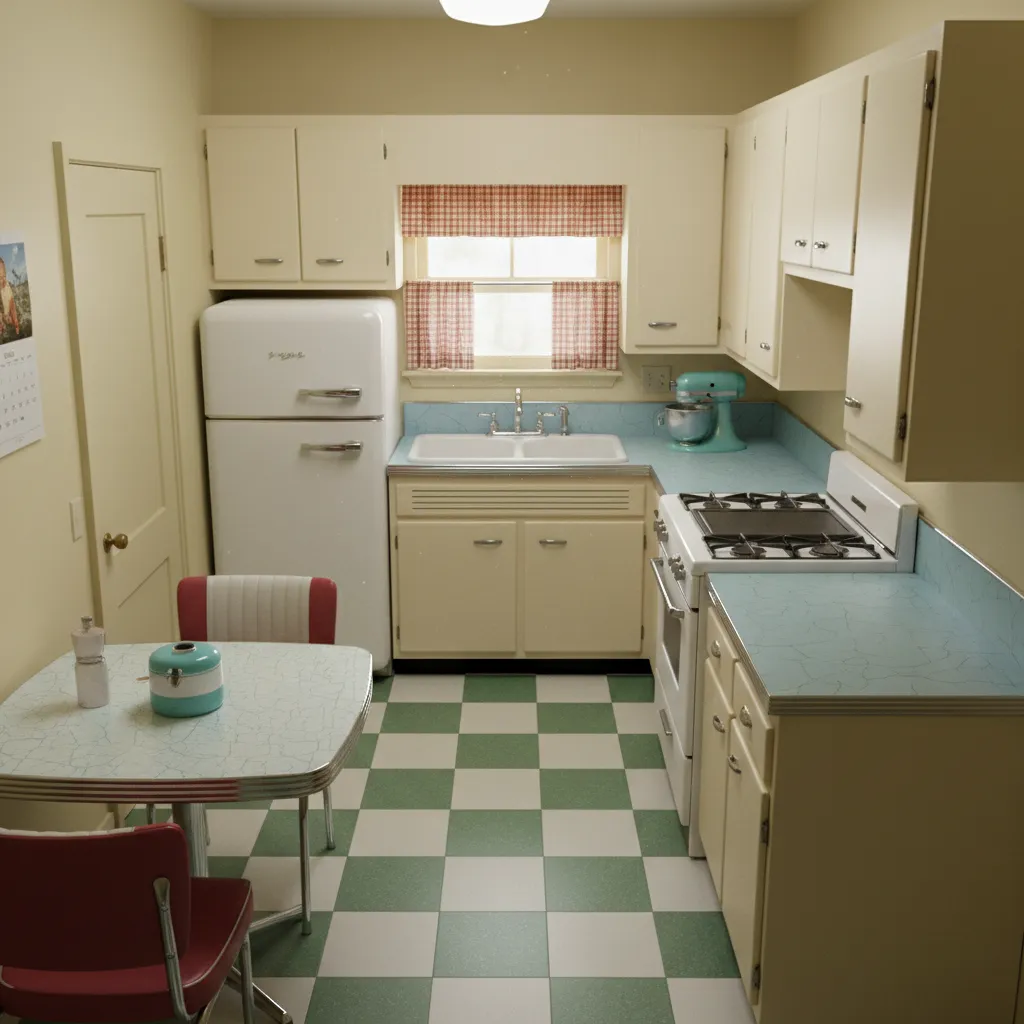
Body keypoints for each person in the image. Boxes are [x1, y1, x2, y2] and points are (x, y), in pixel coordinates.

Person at [0, 256, 20, 338]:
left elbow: (12, 304)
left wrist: (15, 320)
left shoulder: (6, 286)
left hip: (6, 312)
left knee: (11, 319)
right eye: (0, 278)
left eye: (4, 276)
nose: (4, 280)